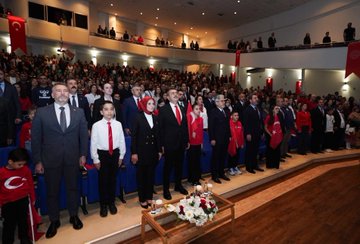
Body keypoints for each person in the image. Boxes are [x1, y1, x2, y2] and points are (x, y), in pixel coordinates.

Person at [31, 83, 88, 238]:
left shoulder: (79, 112)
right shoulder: (42, 113)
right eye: (59, 91)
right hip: (50, 159)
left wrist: (83, 154)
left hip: (72, 158)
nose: (63, 93)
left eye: (65, 91)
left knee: (73, 189)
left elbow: (83, 135)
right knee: (52, 192)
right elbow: (35, 139)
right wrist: (37, 160)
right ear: (52, 94)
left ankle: (73, 215)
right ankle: (54, 221)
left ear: (69, 94)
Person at [91, 101, 126, 217]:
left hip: (115, 154)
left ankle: (111, 202)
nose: (109, 111)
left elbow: (121, 141)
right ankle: (103, 204)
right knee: (103, 181)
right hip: (103, 155)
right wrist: (95, 159)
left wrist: (121, 155)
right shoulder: (96, 125)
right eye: (106, 109)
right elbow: (94, 143)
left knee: (112, 180)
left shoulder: (118, 124)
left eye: (111, 109)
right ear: (101, 112)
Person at [158, 88, 189, 200]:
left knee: (179, 166)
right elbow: (160, 129)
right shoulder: (163, 110)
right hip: (169, 144)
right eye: (172, 93)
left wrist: (186, 141)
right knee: (168, 168)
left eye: (176, 93)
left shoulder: (182, 108)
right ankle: (166, 190)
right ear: (167, 97)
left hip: (181, 143)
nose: (175, 95)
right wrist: (161, 145)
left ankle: (178, 185)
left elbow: (184, 126)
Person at [131, 97, 161, 208]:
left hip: (153, 151)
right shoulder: (137, 117)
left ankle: (149, 197)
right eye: (149, 103)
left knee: (150, 176)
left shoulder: (155, 117)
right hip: (141, 151)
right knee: (142, 176)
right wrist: (134, 153)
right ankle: (142, 198)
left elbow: (158, 135)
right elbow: (134, 137)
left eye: (153, 103)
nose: (152, 105)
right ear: (144, 104)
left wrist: (159, 150)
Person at [0, 148, 35, 244]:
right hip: (8, 203)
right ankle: (7, 241)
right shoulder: (2, 173)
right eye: (19, 164)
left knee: (23, 221)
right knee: (9, 224)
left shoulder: (25, 170)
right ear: (10, 162)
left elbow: (30, 184)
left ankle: (24, 238)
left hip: (23, 199)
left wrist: (32, 197)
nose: (22, 166)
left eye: (24, 164)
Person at [208, 95, 231, 183]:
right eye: (222, 101)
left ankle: (221, 173)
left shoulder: (226, 111)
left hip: (225, 138)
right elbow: (211, 126)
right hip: (217, 139)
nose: (224, 102)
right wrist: (212, 138)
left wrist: (229, 135)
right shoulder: (213, 112)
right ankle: (215, 175)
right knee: (216, 157)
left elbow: (227, 125)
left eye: (224, 100)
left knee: (223, 156)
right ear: (216, 102)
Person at [243, 93, 264, 174]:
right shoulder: (247, 110)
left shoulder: (258, 108)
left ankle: (255, 165)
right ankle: (249, 167)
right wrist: (247, 133)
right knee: (250, 150)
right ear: (250, 100)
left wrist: (261, 132)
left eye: (257, 98)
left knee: (255, 150)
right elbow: (246, 123)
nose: (256, 99)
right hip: (250, 134)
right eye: (254, 98)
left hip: (257, 133)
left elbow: (260, 121)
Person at [186, 103, 203, 186]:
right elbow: (188, 130)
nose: (198, 110)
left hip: (198, 143)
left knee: (197, 161)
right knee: (192, 162)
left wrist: (202, 142)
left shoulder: (201, 119)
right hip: (192, 144)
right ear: (192, 110)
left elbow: (201, 132)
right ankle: (192, 179)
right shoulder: (190, 118)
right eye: (196, 109)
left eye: (199, 109)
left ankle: (196, 178)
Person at [227, 111, 244, 176]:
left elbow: (241, 134)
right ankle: (230, 168)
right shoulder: (229, 123)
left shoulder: (239, 123)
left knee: (237, 155)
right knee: (231, 156)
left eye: (237, 115)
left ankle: (235, 167)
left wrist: (242, 143)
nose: (237, 117)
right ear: (232, 116)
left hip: (239, 143)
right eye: (235, 115)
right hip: (232, 143)